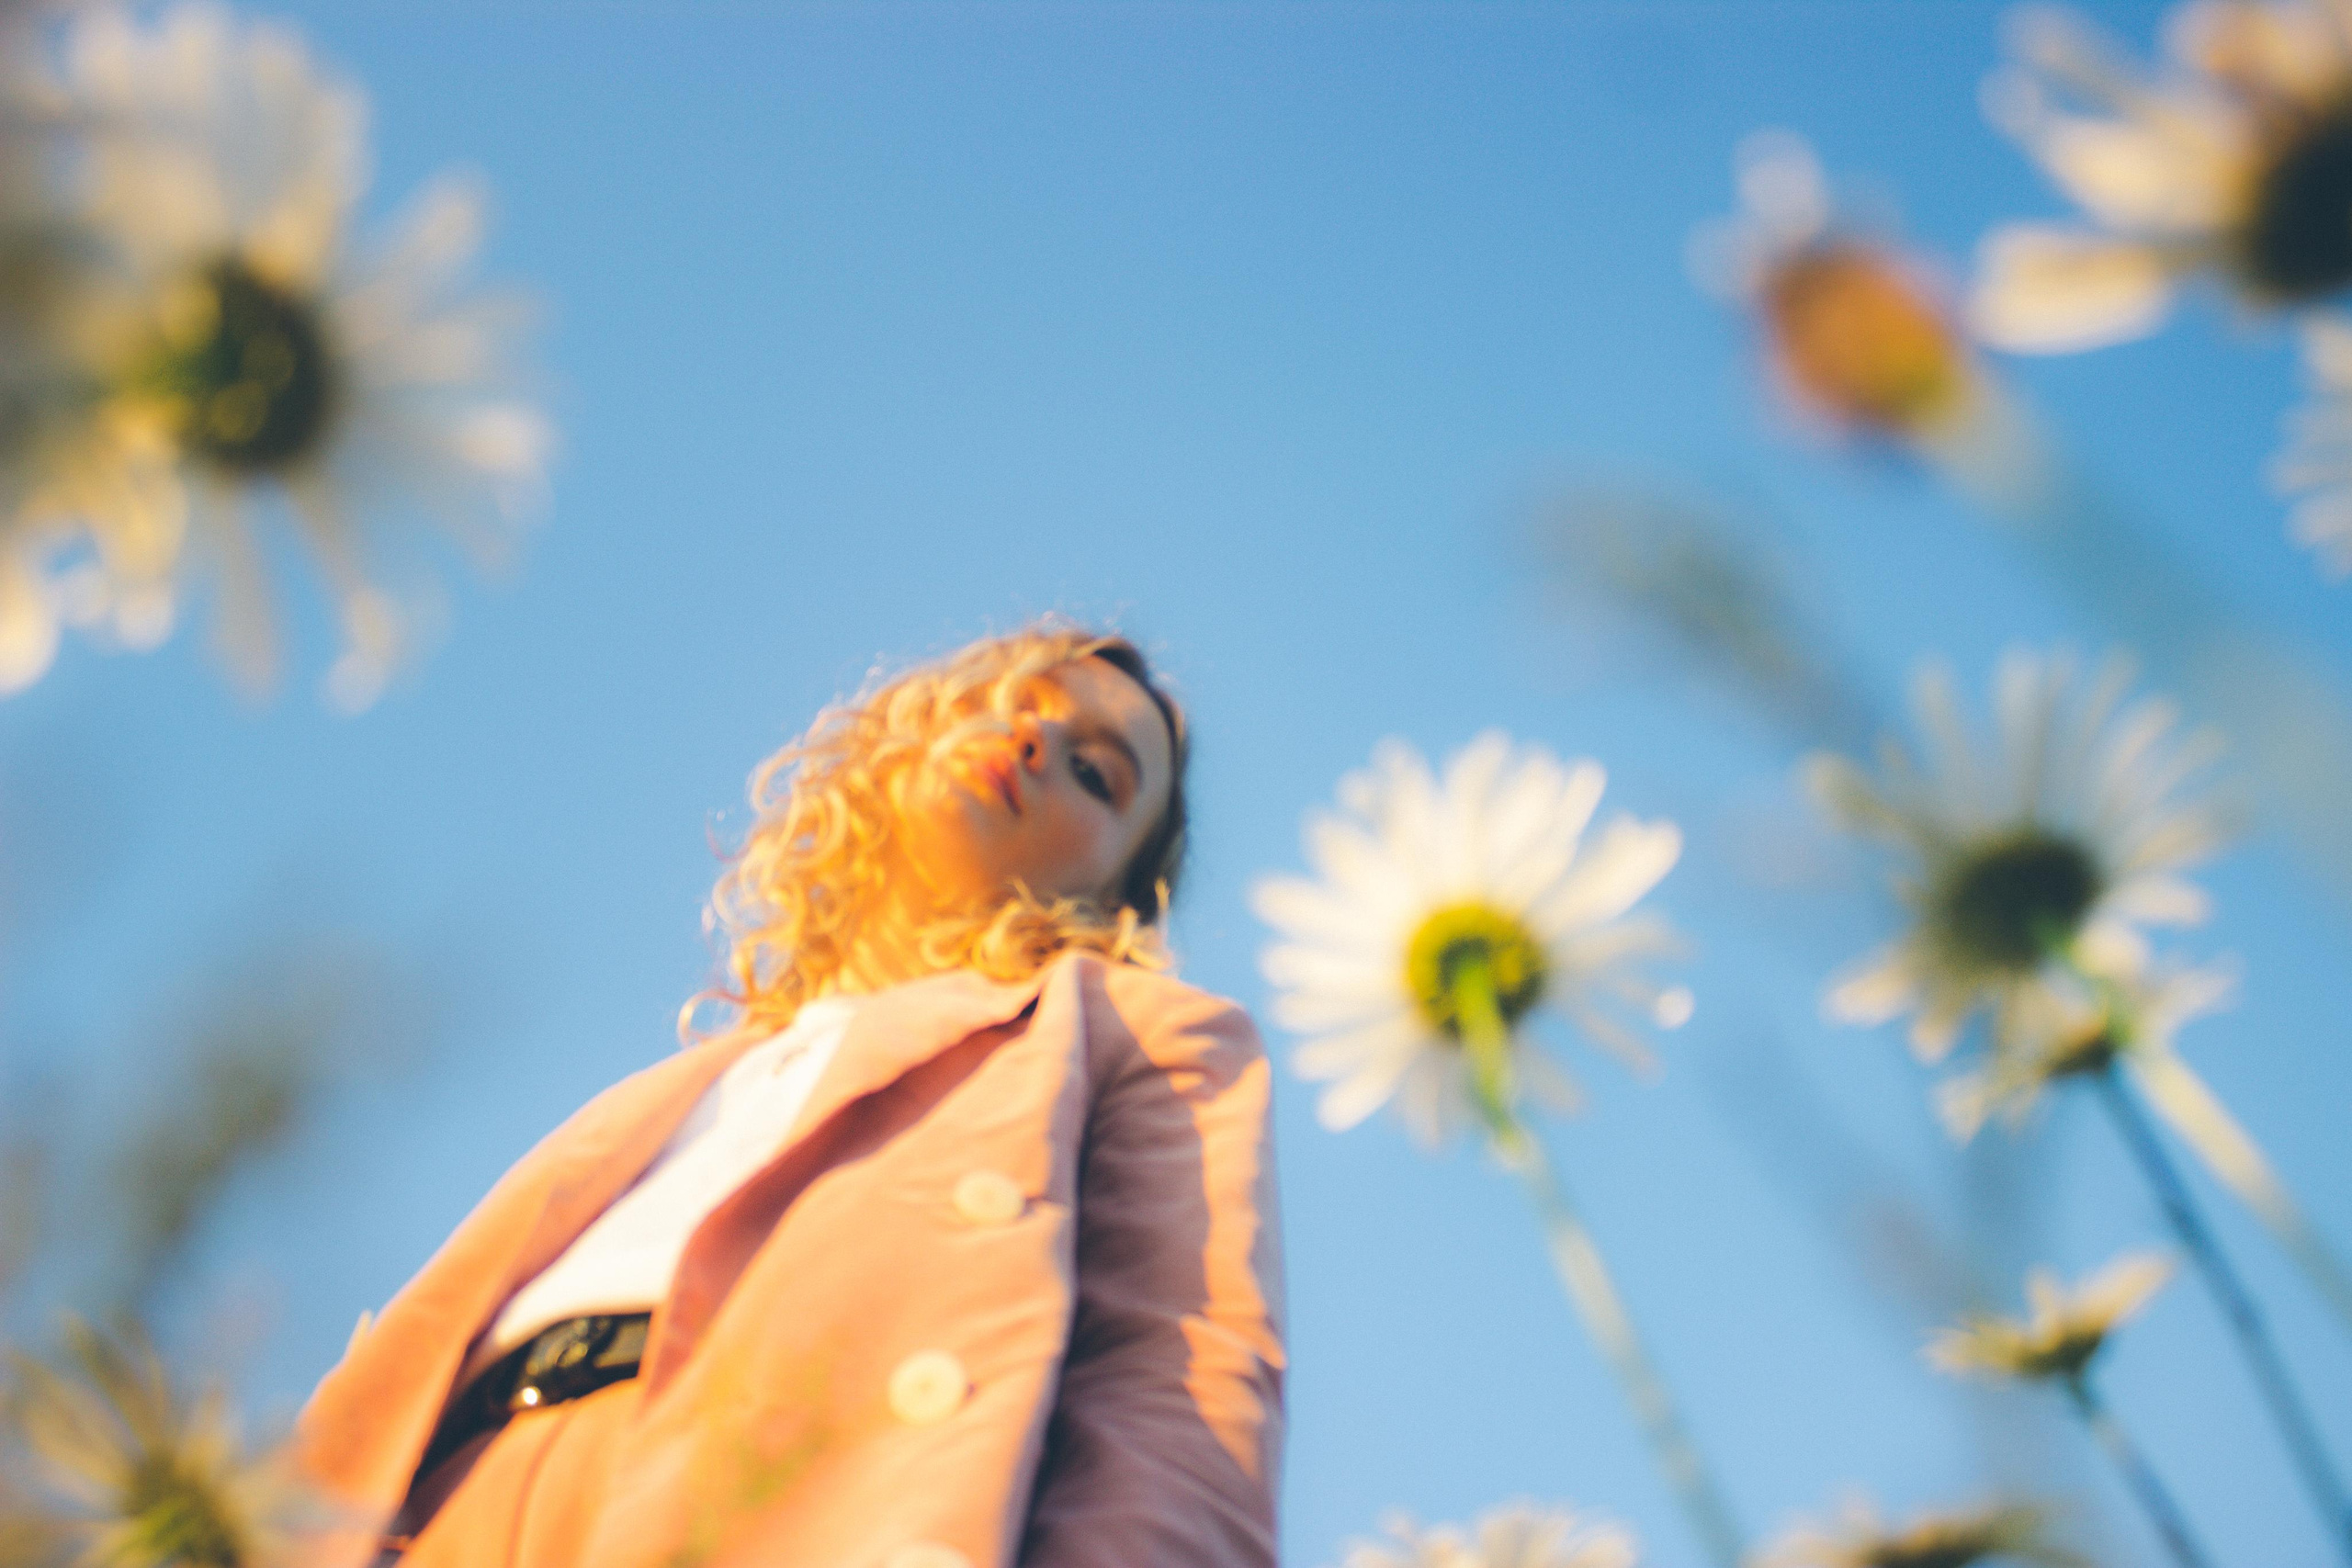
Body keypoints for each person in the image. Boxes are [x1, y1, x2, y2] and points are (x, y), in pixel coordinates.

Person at [292, 621, 1286, 1568]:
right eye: (1007, 701)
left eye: (1093, 772)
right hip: (448, 1505)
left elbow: (1177, 1386)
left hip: (776, 1502)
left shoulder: (1128, 1033)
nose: (1034, 737)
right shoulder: (684, 1088)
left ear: (1115, 893)